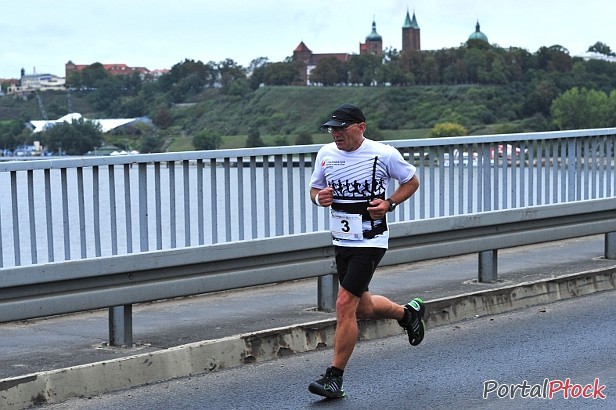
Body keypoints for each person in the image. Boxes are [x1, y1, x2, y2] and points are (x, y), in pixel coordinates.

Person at [308, 103, 425, 399]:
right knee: (363, 307)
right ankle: (407, 314)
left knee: (344, 303)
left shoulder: (383, 154)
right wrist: (318, 198)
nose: (335, 134)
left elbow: (411, 181)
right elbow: (315, 190)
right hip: (341, 240)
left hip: (370, 241)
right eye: (332, 129)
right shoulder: (326, 155)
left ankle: (334, 378)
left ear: (360, 127)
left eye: (341, 128)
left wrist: (389, 204)